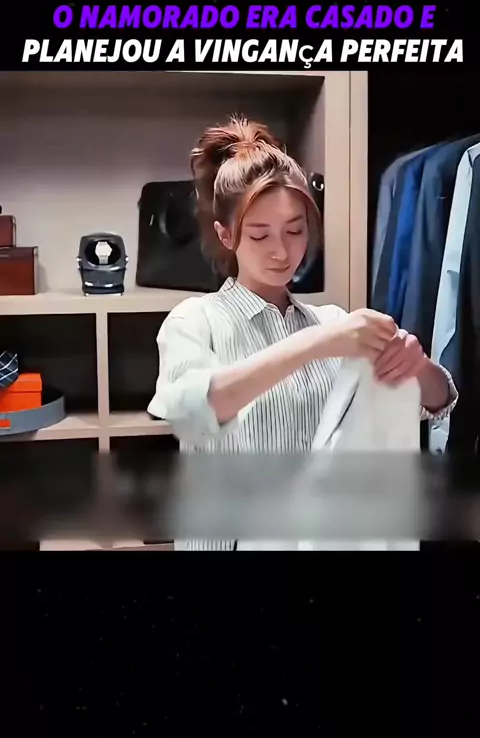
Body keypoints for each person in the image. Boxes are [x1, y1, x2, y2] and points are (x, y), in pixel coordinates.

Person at [148, 116, 458, 550]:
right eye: (260, 235)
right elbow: (190, 410)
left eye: (295, 231)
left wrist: (416, 364)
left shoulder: (333, 322)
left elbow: (437, 402)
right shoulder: (195, 321)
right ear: (226, 234)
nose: (281, 251)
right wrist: (316, 345)